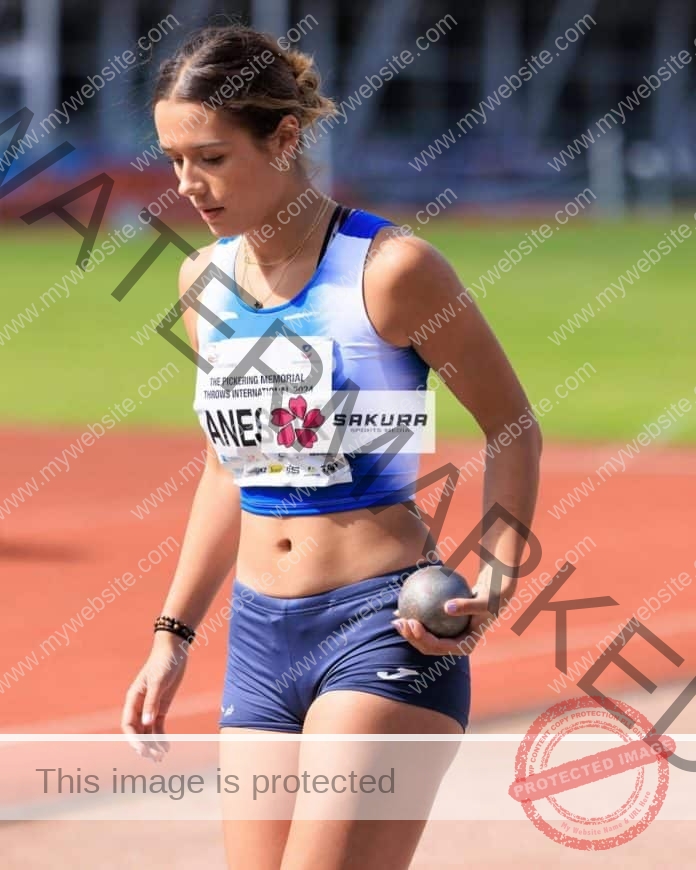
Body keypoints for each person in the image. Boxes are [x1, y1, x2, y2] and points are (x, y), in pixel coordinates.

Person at [121, 23, 541, 870]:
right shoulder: (201, 280)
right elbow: (225, 465)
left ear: (284, 138)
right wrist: (174, 631)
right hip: (260, 637)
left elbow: (513, 427)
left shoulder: (391, 270)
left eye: (209, 157)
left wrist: (495, 574)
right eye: (171, 160)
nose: (186, 185)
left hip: (382, 627)